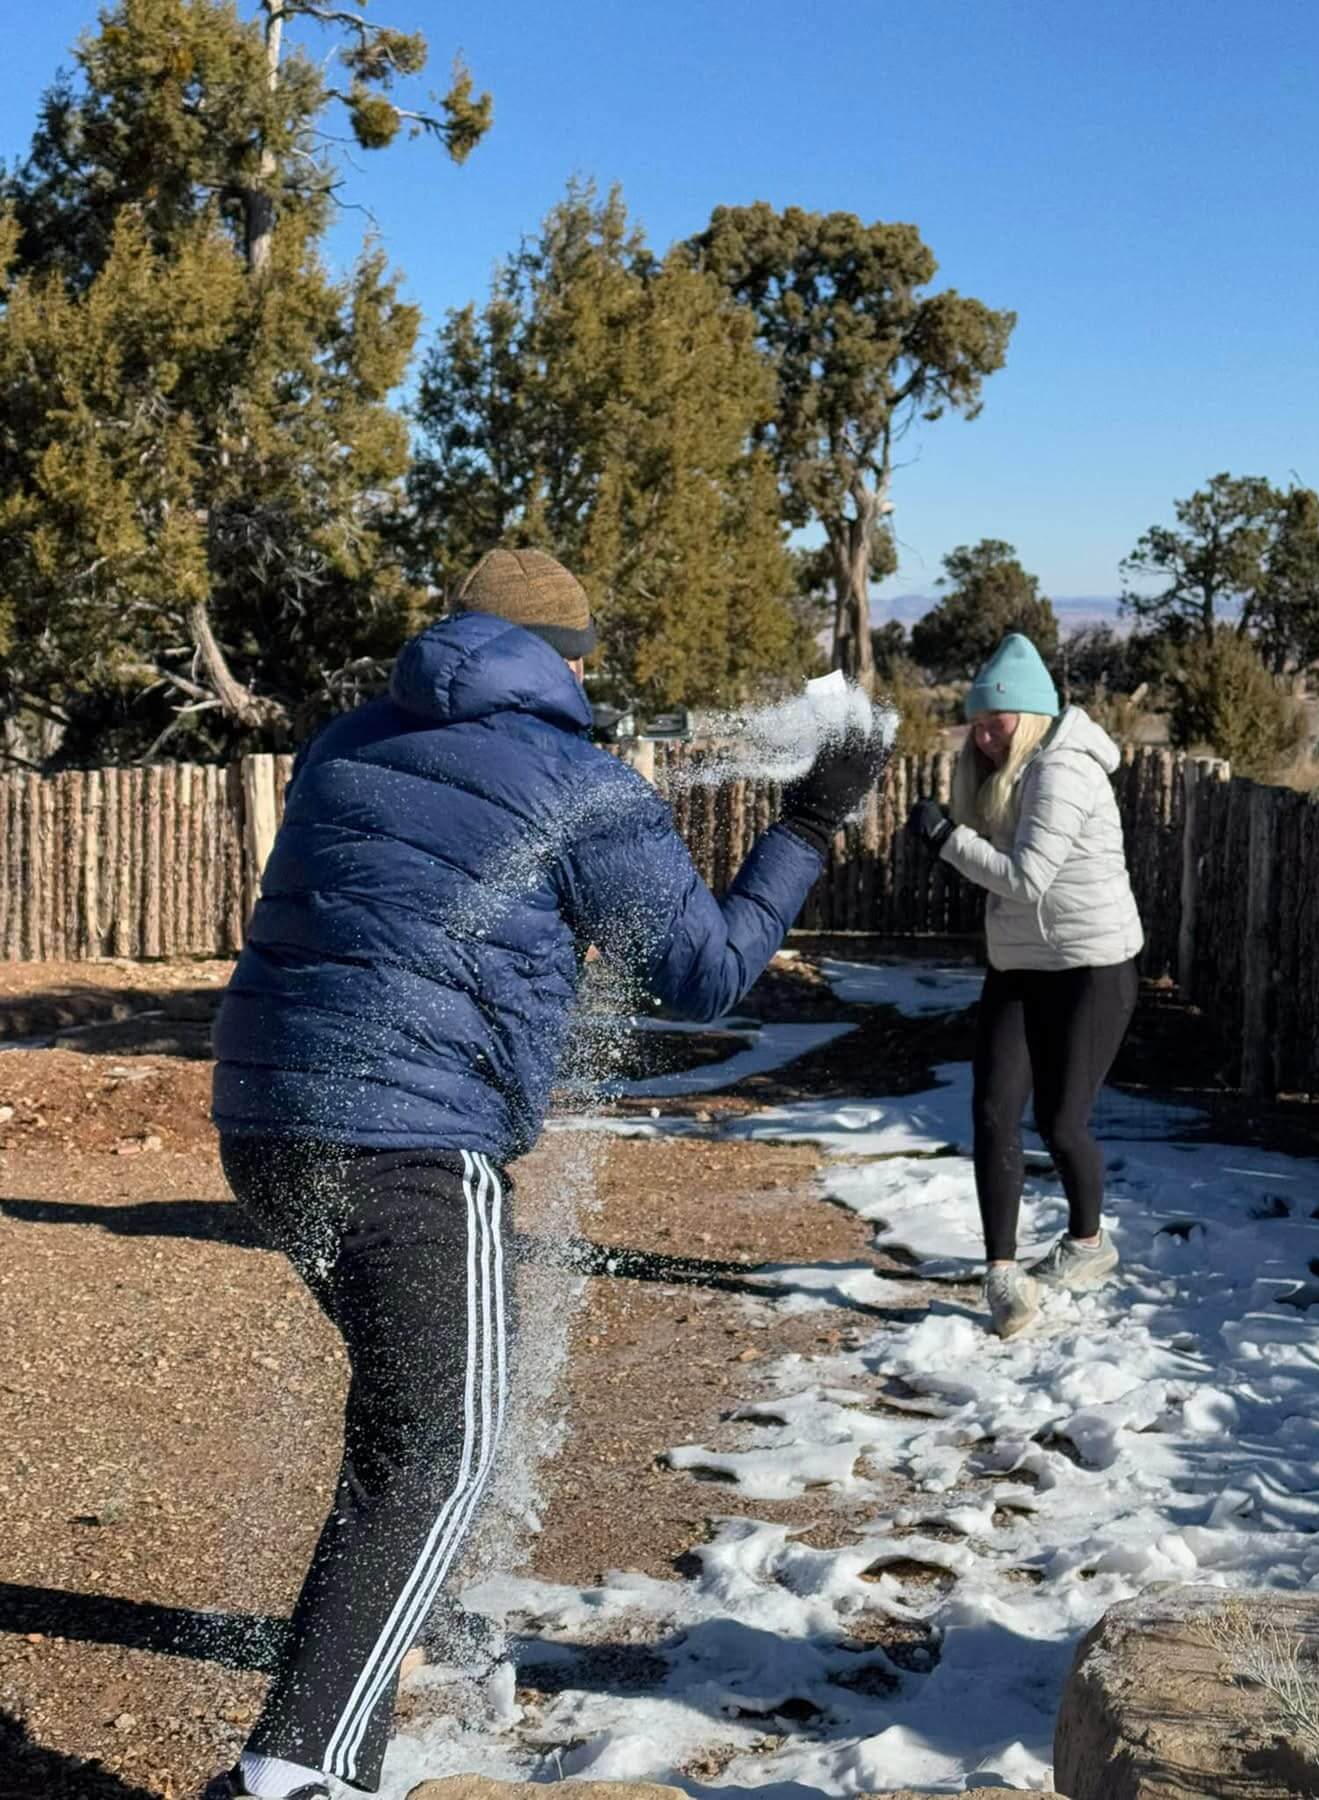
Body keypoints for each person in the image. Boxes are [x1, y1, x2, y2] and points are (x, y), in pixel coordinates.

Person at [203, 547, 889, 1800]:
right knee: (439, 1447)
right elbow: (705, 973)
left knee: (408, 1423)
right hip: (411, 1137)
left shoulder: (347, 743)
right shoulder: (579, 782)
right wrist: (807, 822)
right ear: (570, 665)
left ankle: (366, 1682)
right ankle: (298, 1770)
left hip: (262, 1120)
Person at [906, 633, 1143, 1341]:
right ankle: (1003, 1275)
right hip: (1020, 964)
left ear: (1032, 717)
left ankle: (1090, 1244)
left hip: (1091, 968)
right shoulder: (1008, 772)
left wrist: (947, 838)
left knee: (1062, 1123)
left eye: (996, 720)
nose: (983, 733)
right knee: (990, 1109)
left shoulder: (1063, 771)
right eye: (976, 720)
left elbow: (1027, 879)